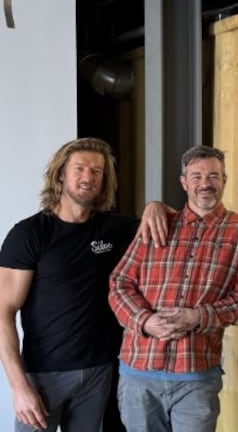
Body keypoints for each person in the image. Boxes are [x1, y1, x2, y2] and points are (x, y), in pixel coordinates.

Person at [0, 137, 169, 432]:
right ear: (61, 174)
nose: (87, 177)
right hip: (44, 374)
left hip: (98, 372)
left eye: (96, 172)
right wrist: (19, 387)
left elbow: (179, 222)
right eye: (79, 169)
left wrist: (157, 205)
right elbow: (3, 312)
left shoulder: (114, 229)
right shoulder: (29, 234)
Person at [108, 144, 238, 432]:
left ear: (225, 181)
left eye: (214, 176)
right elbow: (120, 283)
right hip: (139, 370)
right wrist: (145, 321)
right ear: (184, 182)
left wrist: (199, 316)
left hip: (196, 373)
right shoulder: (157, 223)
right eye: (197, 176)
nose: (206, 184)